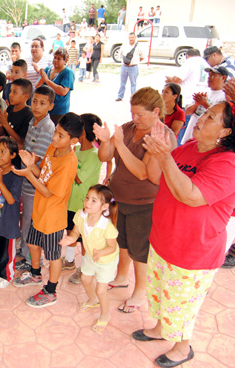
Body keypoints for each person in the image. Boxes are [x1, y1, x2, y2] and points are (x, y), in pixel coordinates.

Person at [136, 101, 235, 368]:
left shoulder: (228, 163)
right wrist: (158, 152)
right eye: (205, 113)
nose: (201, 118)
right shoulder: (190, 147)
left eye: (211, 117)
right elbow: (157, 177)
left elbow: (190, 195)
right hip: (165, 238)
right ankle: (159, 329)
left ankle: (182, 348)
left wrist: (165, 157)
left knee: (181, 304)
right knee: (159, 292)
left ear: (225, 132)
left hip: (193, 251)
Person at [94, 87, 177, 313]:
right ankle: (122, 276)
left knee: (140, 249)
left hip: (145, 203)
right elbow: (104, 157)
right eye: (132, 113)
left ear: (156, 112)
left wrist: (119, 144)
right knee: (121, 241)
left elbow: (144, 173)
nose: (134, 118)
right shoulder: (129, 128)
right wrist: (105, 141)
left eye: (140, 114)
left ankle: (140, 291)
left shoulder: (163, 136)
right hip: (120, 198)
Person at [11, 113, 83, 308]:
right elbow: (42, 174)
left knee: (52, 255)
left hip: (53, 217)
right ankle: (35, 275)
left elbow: (48, 191)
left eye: (61, 136)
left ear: (74, 141)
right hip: (39, 210)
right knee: (33, 244)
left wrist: (28, 174)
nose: (54, 138)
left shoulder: (69, 162)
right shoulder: (53, 148)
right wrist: (31, 166)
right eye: (56, 133)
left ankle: (51, 291)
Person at [61, 185, 119, 332]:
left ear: (104, 206)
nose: (87, 202)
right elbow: (75, 232)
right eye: (87, 198)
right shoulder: (81, 215)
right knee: (86, 279)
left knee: (101, 290)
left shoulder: (107, 226)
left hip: (106, 261)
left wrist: (101, 253)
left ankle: (105, 315)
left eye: (94, 201)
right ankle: (93, 300)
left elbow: (112, 247)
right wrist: (70, 239)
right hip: (90, 257)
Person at [15, 86, 55, 271]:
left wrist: (24, 167)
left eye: (42, 103)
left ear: (51, 106)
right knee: (27, 219)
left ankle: (32, 260)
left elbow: (35, 160)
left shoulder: (47, 127)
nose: (37, 106)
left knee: (32, 223)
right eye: (35, 102)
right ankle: (24, 251)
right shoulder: (33, 121)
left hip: (35, 184)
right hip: (27, 180)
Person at [63, 113, 104, 277]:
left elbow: (78, 178)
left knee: (85, 240)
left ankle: (86, 269)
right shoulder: (78, 149)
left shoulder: (94, 155)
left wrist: (67, 155)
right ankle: (70, 260)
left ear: (83, 132)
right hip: (72, 202)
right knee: (71, 232)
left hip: (84, 206)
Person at [0, 137, 22, 288]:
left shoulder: (16, 175)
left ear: (13, 155)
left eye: (3, 151)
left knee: (7, 252)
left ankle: (7, 275)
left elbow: (11, 200)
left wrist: (0, 183)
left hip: (8, 221)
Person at [181, 66, 228, 145]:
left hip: (204, 140)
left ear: (223, 78)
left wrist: (205, 104)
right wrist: (196, 104)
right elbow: (187, 112)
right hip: (190, 135)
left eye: (213, 75)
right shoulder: (204, 91)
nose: (209, 78)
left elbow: (219, 118)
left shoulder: (224, 97)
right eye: (209, 75)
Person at [0, 78, 33, 150]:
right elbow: (1, 134)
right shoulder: (10, 108)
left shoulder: (28, 114)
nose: (10, 95)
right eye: (10, 91)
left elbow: (21, 141)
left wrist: (5, 123)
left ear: (25, 97)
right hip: (5, 149)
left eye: (15, 92)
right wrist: (0, 124)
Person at [38, 47, 75, 123]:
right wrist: (42, 77)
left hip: (59, 111)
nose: (55, 60)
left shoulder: (68, 73)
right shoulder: (47, 69)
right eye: (55, 58)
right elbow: (36, 86)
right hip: (45, 109)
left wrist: (47, 81)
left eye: (59, 59)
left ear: (65, 61)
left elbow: (63, 91)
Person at [116, 33, 145, 102]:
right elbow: (120, 54)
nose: (131, 39)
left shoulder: (138, 46)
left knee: (133, 83)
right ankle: (120, 96)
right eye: (130, 37)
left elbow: (142, 56)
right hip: (124, 66)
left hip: (133, 67)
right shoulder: (124, 45)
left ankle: (133, 97)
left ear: (135, 38)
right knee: (122, 83)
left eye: (132, 37)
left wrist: (134, 62)